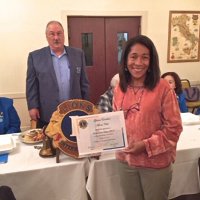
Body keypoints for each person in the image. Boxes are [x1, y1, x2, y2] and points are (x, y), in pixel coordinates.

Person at [113, 35, 182, 200]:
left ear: (151, 62)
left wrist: (145, 145)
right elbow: (116, 123)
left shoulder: (163, 88)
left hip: (155, 164)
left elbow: (174, 128)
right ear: (125, 60)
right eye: (133, 56)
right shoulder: (119, 88)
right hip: (125, 161)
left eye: (145, 57)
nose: (138, 63)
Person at [26, 20, 89, 128]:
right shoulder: (35, 57)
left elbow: (84, 83)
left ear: (64, 34)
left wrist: (87, 106)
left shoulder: (78, 54)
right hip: (47, 113)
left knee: (73, 143)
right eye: (52, 34)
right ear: (46, 36)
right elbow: (31, 85)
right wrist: (32, 106)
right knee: (49, 143)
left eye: (59, 33)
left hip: (74, 112)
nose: (56, 37)